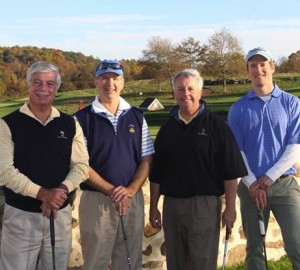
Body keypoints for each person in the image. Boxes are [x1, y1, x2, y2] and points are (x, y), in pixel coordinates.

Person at [149, 68, 247, 270]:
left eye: (190, 88)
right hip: (172, 205)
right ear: (174, 94)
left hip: (204, 205)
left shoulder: (217, 126)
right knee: (176, 262)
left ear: (200, 92)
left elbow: (230, 173)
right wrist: (153, 206)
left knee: (201, 261)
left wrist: (230, 208)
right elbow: (157, 174)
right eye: (180, 89)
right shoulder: (167, 129)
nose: (186, 93)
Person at [0, 61, 89, 269]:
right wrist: (43, 194)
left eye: (50, 84)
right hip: (21, 217)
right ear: (28, 85)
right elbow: (4, 172)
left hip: (60, 214)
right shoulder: (7, 124)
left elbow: (82, 166)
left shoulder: (70, 123)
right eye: (37, 83)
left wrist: (61, 190)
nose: (43, 89)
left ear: (57, 88)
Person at [74, 59, 154, 270]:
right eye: (104, 78)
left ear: (123, 83)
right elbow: (81, 164)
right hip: (96, 202)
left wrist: (130, 190)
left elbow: (146, 158)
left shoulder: (137, 116)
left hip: (132, 200)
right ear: (95, 82)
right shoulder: (81, 119)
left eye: (115, 78)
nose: (110, 83)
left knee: (130, 262)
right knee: (95, 263)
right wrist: (112, 191)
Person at [227, 47, 300, 270]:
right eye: (252, 66)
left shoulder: (291, 103)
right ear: (247, 71)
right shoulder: (238, 108)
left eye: (262, 64)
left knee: (297, 245)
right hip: (250, 187)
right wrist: (253, 184)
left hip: (283, 185)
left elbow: (295, 147)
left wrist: (267, 179)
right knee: (254, 249)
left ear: (272, 67)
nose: (258, 69)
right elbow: (236, 152)